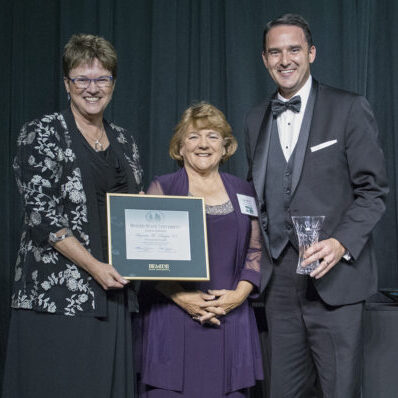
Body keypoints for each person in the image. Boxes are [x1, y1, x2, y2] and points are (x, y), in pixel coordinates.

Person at [244, 13, 388, 398]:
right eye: (275, 52)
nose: (284, 60)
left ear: (311, 53)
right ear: (264, 59)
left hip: (336, 279)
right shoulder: (255, 117)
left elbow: (373, 192)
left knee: (340, 390)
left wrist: (341, 242)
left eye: (294, 49)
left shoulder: (349, 108)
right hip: (279, 285)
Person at [2, 34, 142, 398]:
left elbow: (134, 210)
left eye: (102, 79)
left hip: (113, 293)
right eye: (82, 78)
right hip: (59, 296)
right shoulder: (42, 132)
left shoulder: (125, 140)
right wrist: (95, 267)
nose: (92, 88)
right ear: (67, 84)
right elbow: (42, 215)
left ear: (114, 83)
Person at [137, 102, 263, 398]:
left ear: (225, 146)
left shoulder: (244, 191)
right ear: (179, 147)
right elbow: (147, 260)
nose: (203, 144)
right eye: (193, 137)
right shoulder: (163, 187)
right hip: (173, 317)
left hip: (230, 319)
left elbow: (255, 251)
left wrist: (238, 296)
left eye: (212, 136)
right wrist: (184, 298)